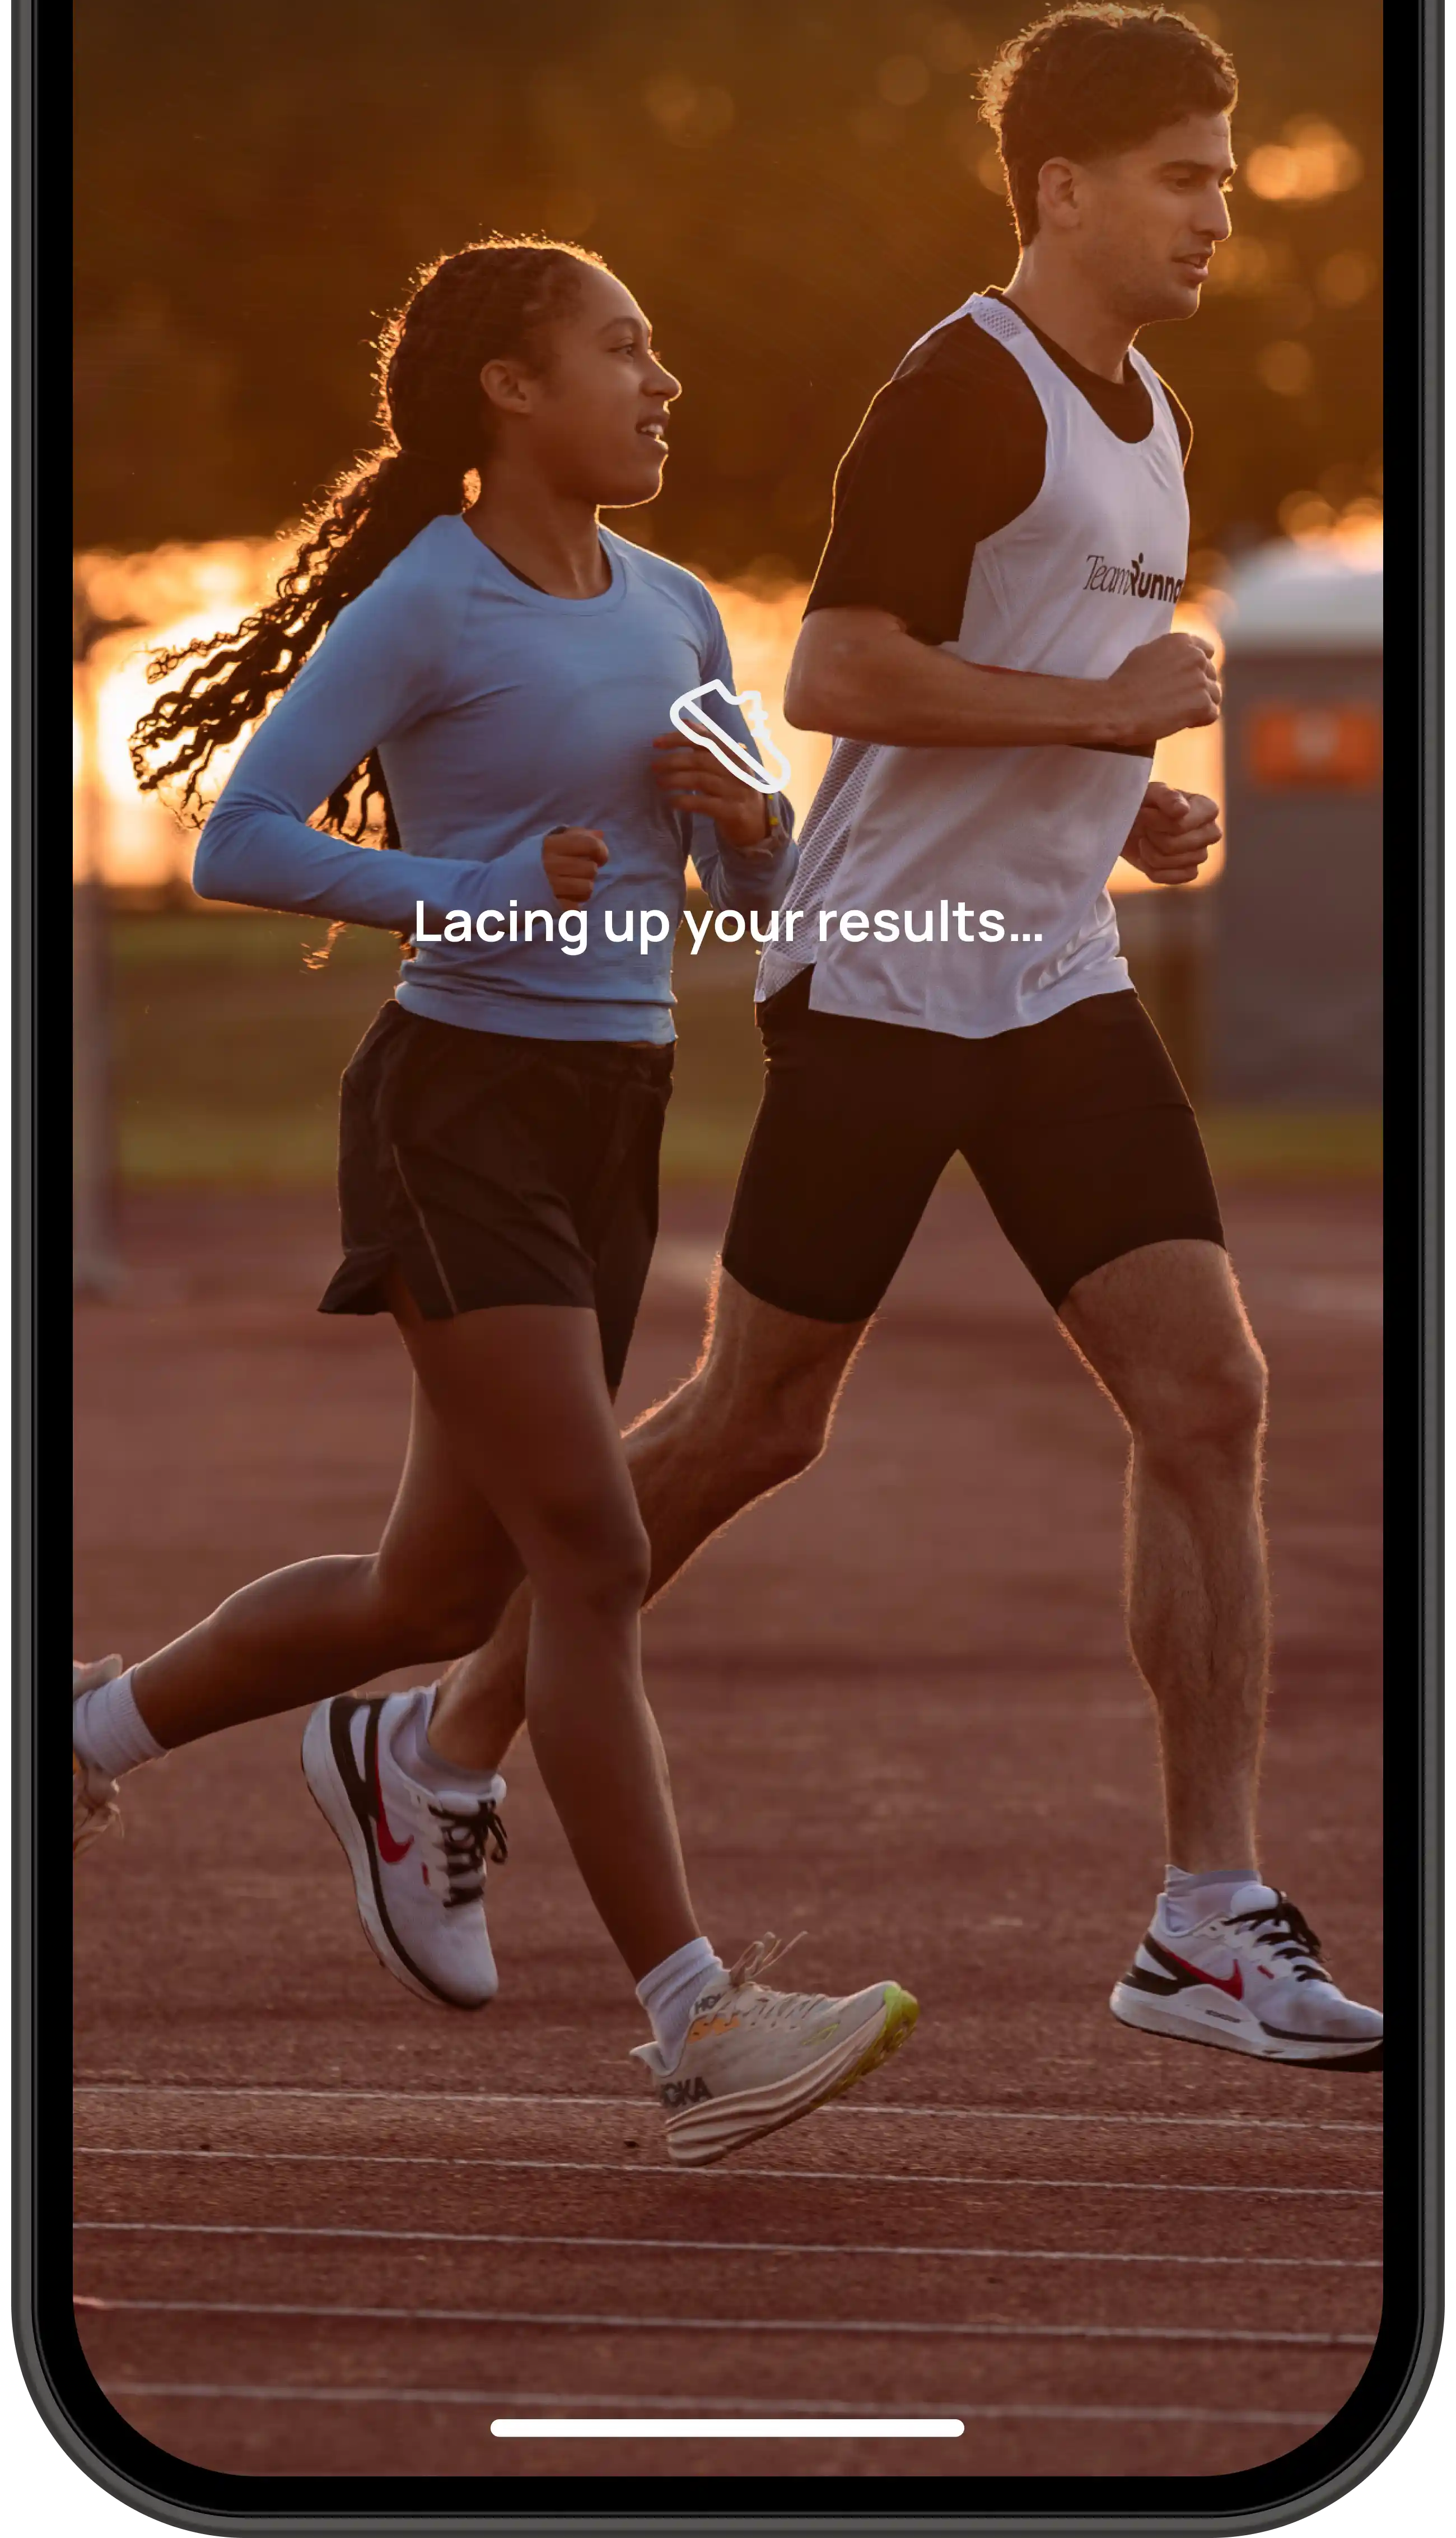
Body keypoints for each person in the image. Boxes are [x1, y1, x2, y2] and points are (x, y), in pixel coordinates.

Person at [371, 10, 1382, 2072]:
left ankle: (1205, 1915)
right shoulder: (963, 390)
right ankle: (441, 1732)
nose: (1220, 211)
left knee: (1206, 1394)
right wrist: (1107, 721)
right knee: (757, 1420)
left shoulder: (1148, 413)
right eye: (1187, 174)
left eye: (1228, 170)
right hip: (891, 971)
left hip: (1049, 971)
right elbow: (841, 668)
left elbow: (1030, 682)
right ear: (1067, 188)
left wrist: (1126, 799)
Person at [71, 235, 919, 2163]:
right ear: (510, 389)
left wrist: (751, 827)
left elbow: (750, 908)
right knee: (592, 1559)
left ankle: (86, 1740)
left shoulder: (689, 610)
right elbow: (239, 839)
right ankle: (699, 2026)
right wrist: (462, 890)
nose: (662, 378)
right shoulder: (429, 601)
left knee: (431, 1585)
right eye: (622, 346)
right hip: (456, 1106)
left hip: (615, 1100)